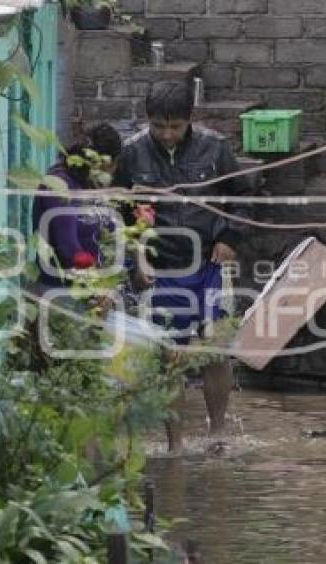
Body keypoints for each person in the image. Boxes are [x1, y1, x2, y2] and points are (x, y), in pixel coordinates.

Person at [115, 80, 250, 451]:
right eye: (159, 126)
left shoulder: (215, 148)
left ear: (191, 120)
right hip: (160, 270)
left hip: (209, 264)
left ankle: (217, 432)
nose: (167, 134)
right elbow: (120, 213)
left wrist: (229, 238)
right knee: (168, 355)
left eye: (175, 126)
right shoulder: (132, 154)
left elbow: (243, 198)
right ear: (148, 121)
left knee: (214, 349)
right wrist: (135, 258)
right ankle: (174, 444)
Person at [32, 121, 124, 289]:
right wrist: (99, 286)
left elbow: (110, 235)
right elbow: (69, 249)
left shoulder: (90, 185)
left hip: (91, 290)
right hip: (61, 293)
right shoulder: (58, 185)